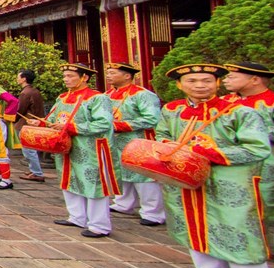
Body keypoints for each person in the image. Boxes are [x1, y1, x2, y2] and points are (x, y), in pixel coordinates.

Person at [159, 64, 274, 268]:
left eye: (206, 80)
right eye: (192, 81)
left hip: (229, 180)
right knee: (191, 221)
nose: (200, 85)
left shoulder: (238, 112)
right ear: (180, 85)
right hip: (186, 177)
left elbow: (257, 148)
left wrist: (208, 153)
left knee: (237, 228)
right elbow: (161, 135)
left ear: (217, 84)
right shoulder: (172, 111)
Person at [26, 64, 119, 238]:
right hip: (66, 145)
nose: (66, 79)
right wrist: (41, 123)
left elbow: (104, 123)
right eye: (65, 76)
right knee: (68, 179)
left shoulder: (97, 98)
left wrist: (72, 127)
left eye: (70, 76)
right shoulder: (63, 98)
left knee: (93, 183)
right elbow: (52, 119)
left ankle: (99, 225)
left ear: (84, 78)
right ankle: (77, 216)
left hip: (89, 147)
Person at [105, 62, 166, 226]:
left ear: (127, 75)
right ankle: (123, 203)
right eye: (108, 72)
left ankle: (153, 212)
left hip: (138, 140)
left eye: (113, 72)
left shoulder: (142, 94)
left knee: (143, 175)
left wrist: (123, 125)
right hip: (116, 140)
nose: (108, 75)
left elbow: (152, 118)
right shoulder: (108, 95)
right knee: (121, 172)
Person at [222, 61, 274, 246]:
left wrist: (252, 132)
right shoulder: (227, 102)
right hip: (233, 163)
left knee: (268, 204)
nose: (226, 80)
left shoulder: (272, 102)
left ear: (255, 79)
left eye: (232, 76)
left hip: (268, 162)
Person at [15, 69, 45, 182]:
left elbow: (20, 110)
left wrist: (13, 119)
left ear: (24, 79)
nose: (17, 79)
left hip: (26, 123)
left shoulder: (25, 93)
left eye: (19, 77)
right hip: (35, 122)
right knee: (32, 148)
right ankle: (34, 170)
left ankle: (37, 172)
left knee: (28, 150)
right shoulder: (34, 91)